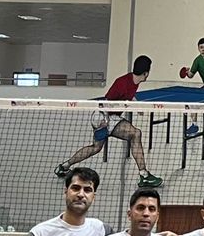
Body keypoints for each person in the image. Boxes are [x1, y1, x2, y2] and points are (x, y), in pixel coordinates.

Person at [54, 56, 163, 188]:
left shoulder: (133, 81)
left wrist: (136, 105)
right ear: (146, 73)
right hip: (104, 117)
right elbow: (106, 102)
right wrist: (104, 122)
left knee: (96, 148)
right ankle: (144, 175)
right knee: (136, 134)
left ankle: (64, 166)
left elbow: (129, 95)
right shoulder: (121, 82)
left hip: (110, 117)